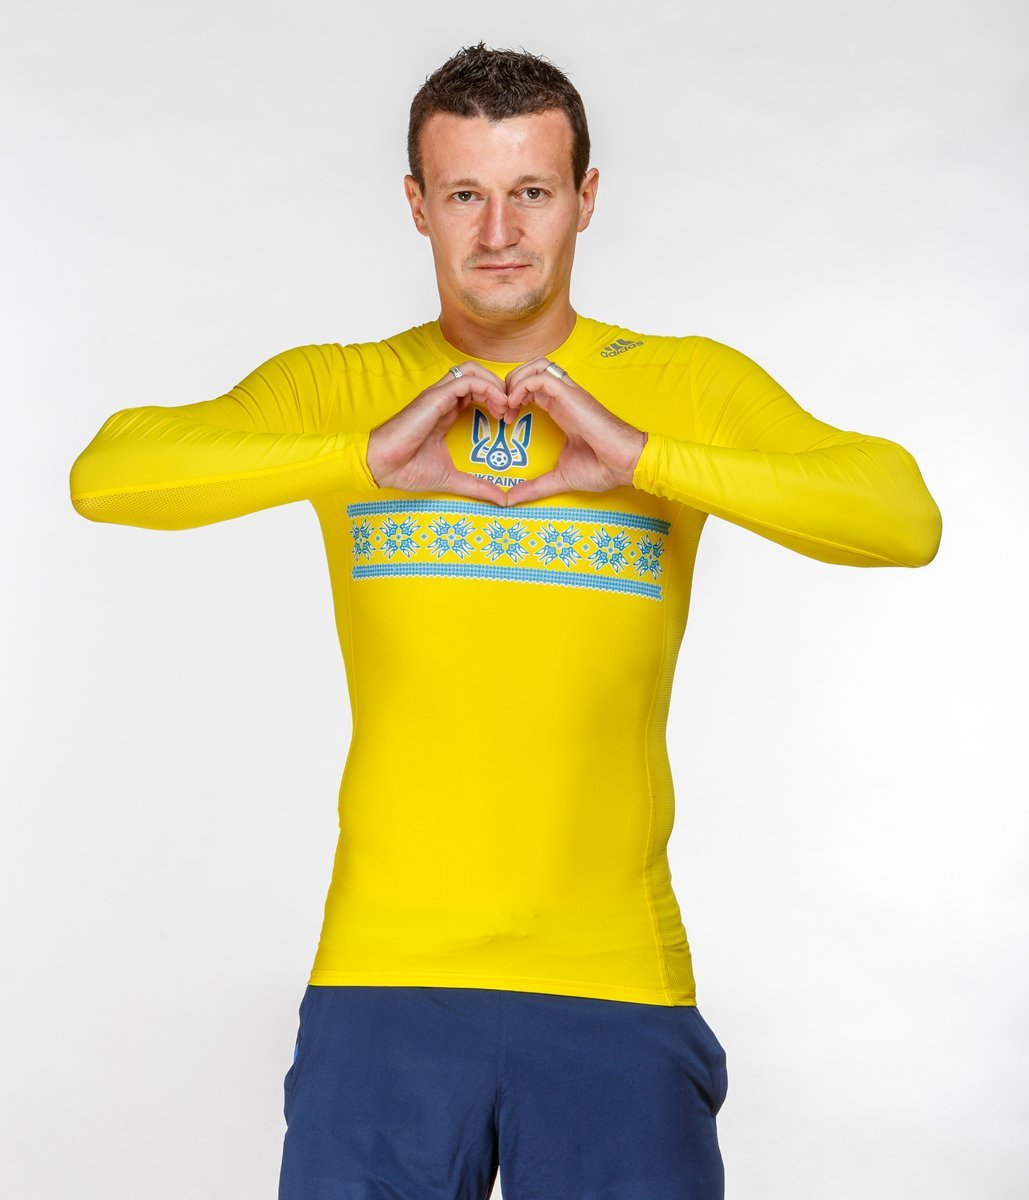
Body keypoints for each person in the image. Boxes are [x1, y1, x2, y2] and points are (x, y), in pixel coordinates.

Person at [68, 40, 943, 1200]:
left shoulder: (682, 385)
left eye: (531, 190)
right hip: (381, 983)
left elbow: (900, 516)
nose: (497, 232)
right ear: (416, 205)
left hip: (616, 988)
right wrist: (361, 457)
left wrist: (644, 457)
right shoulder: (343, 390)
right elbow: (107, 475)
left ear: (586, 197)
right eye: (464, 195)